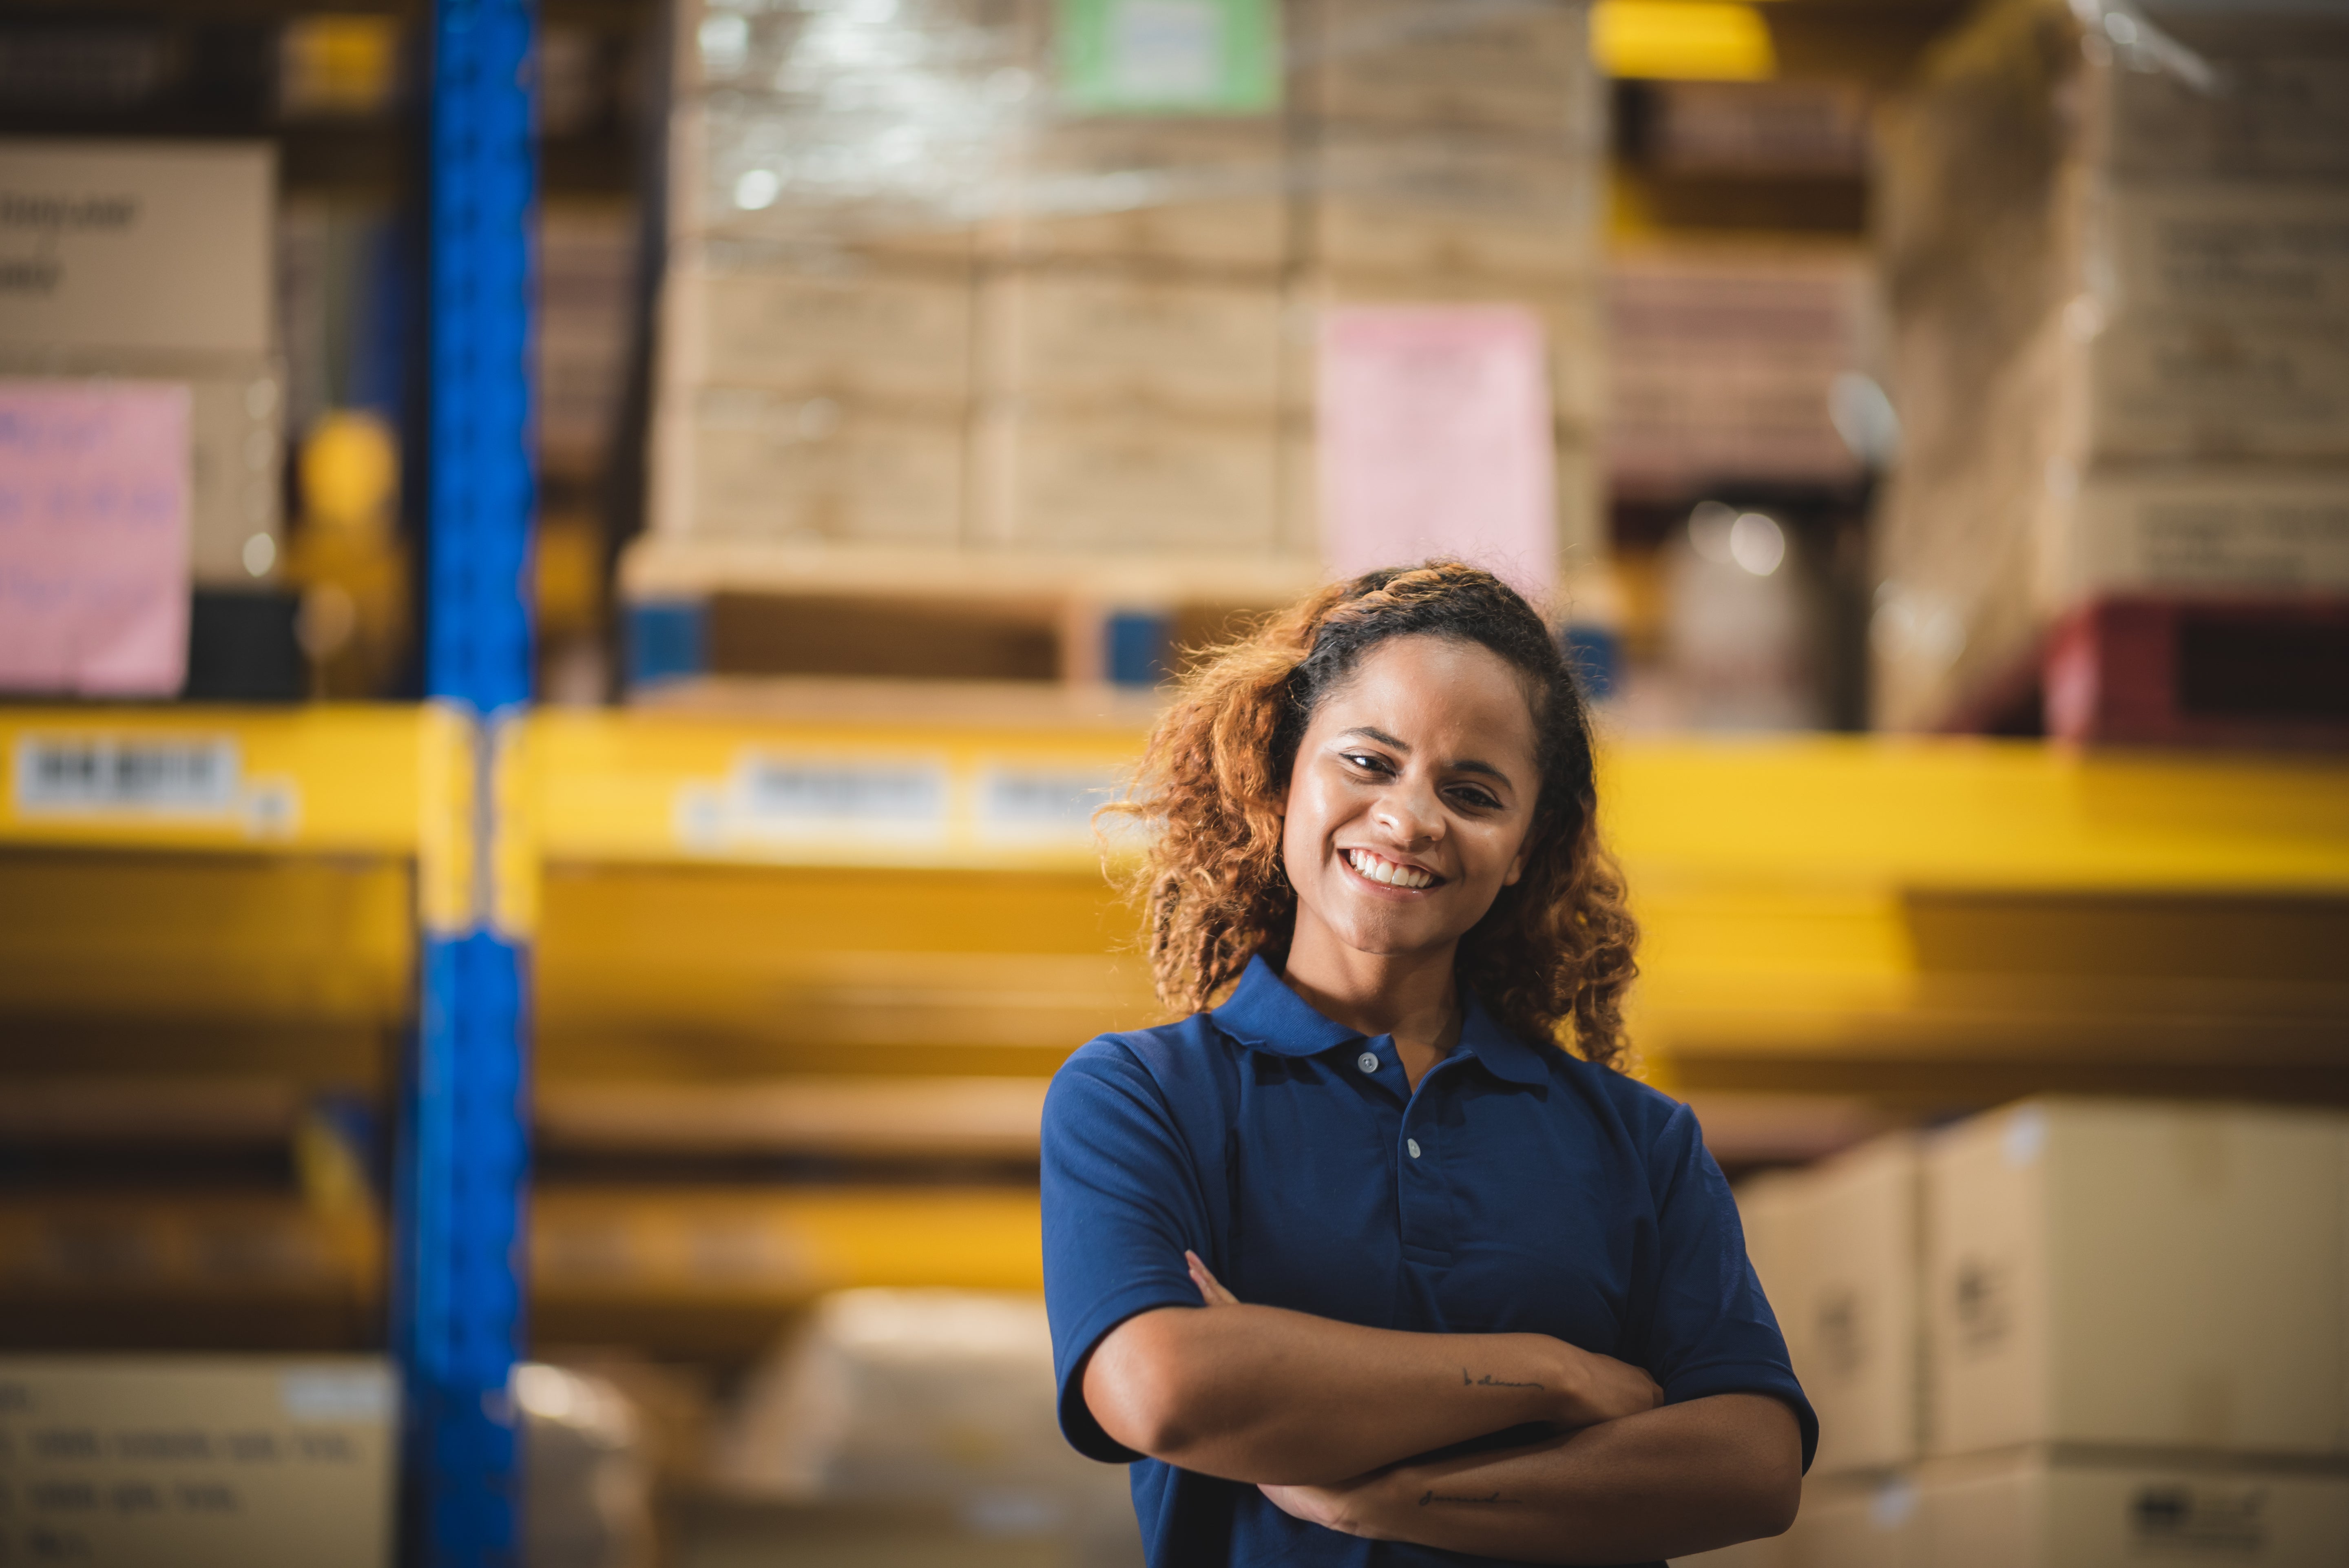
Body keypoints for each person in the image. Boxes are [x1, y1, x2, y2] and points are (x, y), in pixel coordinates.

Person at [1040, 562, 1813, 1566]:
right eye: (1369, 762)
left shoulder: (1640, 1142)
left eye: (1474, 791)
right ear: (1282, 777)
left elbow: (1752, 1465)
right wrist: (1550, 1375)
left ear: (1528, 847)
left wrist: (1393, 1499)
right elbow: (1165, 1390)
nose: (1410, 819)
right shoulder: (1143, 1099)